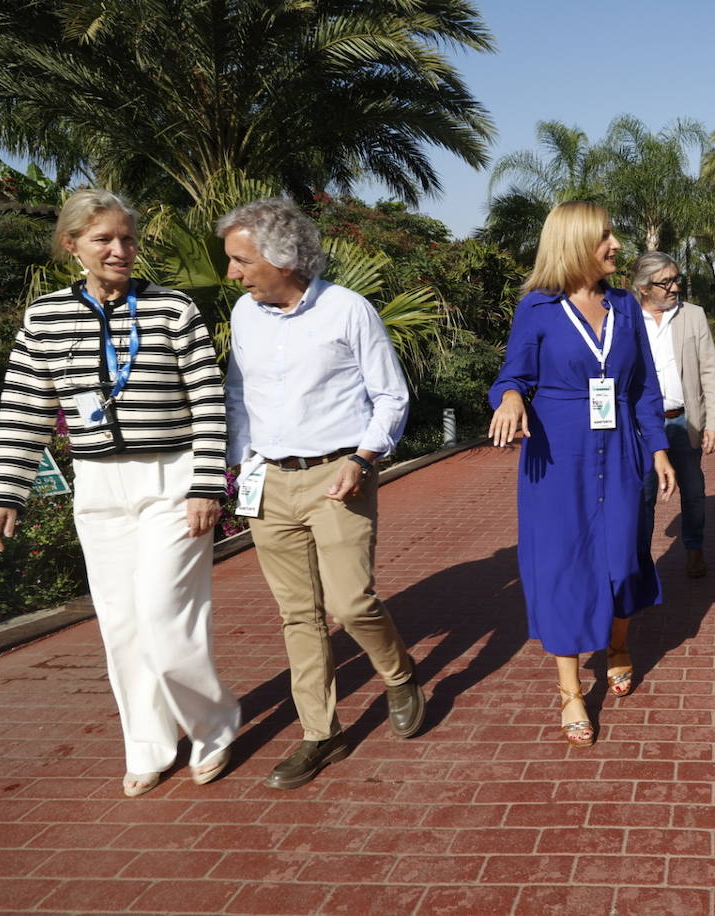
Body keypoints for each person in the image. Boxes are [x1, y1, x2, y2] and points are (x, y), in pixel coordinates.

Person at [0, 189, 239, 797]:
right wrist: (8, 491)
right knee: (122, 624)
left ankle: (212, 724)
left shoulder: (173, 309)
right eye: (103, 238)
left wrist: (208, 482)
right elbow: (25, 409)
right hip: (100, 484)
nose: (119, 250)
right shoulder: (45, 318)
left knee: (164, 614)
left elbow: (210, 401)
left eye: (127, 238)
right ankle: (149, 744)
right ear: (71, 245)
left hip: (174, 478)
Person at [220, 198, 423, 789]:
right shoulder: (243, 314)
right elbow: (238, 392)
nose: (233, 272)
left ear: (281, 258)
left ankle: (398, 671)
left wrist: (363, 459)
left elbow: (391, 397)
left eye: (241, 260)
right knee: (297, 614)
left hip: (339, 474)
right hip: (267, 480)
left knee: (351, 601)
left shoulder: (347, 310)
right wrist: (242, 461)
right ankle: (320, 733)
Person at [489, 202, 676, 748]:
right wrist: (507, 401)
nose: (617, 245)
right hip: (556, 459)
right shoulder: (538, 309)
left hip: (619, 453)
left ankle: (617, 644)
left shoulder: (623, 305)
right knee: (565, 568)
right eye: (605, 237)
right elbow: (513, 375)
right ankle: (571, 690)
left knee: (621, 559)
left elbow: (643, 388)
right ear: (574, 244)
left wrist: (659, 449)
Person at [634, 252, 715, 578]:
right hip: (641, 427)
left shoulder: (692, 315)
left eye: (677, 279)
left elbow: (710, 372)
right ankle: (641, 560)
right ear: (644, 288)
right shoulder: (626, 318)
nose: (674, 288)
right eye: (666, 282)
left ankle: (694, 547)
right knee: (642, 496)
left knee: (694, 490)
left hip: (683, 420)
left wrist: (714, 422)